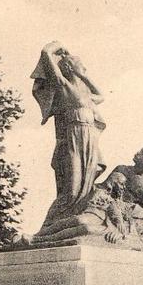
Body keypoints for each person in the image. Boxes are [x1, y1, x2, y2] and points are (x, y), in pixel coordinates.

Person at [31, 41, 107, 228]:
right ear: (69, 67)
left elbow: (102, 96)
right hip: (74, 136)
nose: (85, 68)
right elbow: (45, 52)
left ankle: (73, 222)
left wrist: (84, 76)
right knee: (72, 189)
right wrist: (57, 46)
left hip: (90, 136)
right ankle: (49, 226)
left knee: (87, 187)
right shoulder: (63, 85)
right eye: (80, 64)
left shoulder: (86, 92)